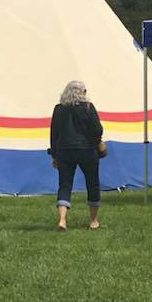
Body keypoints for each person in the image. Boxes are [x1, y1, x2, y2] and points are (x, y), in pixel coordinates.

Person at [49, 80, 103, 231]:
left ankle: (62, 220)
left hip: (64, 150)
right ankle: (93, 221)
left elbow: (54, 133)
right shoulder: (88, 107)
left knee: (65, 185)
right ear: (83, 92)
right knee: (92, 183)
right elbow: (97, 129)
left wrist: (54, 155)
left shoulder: (59, 109)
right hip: (87, 150)